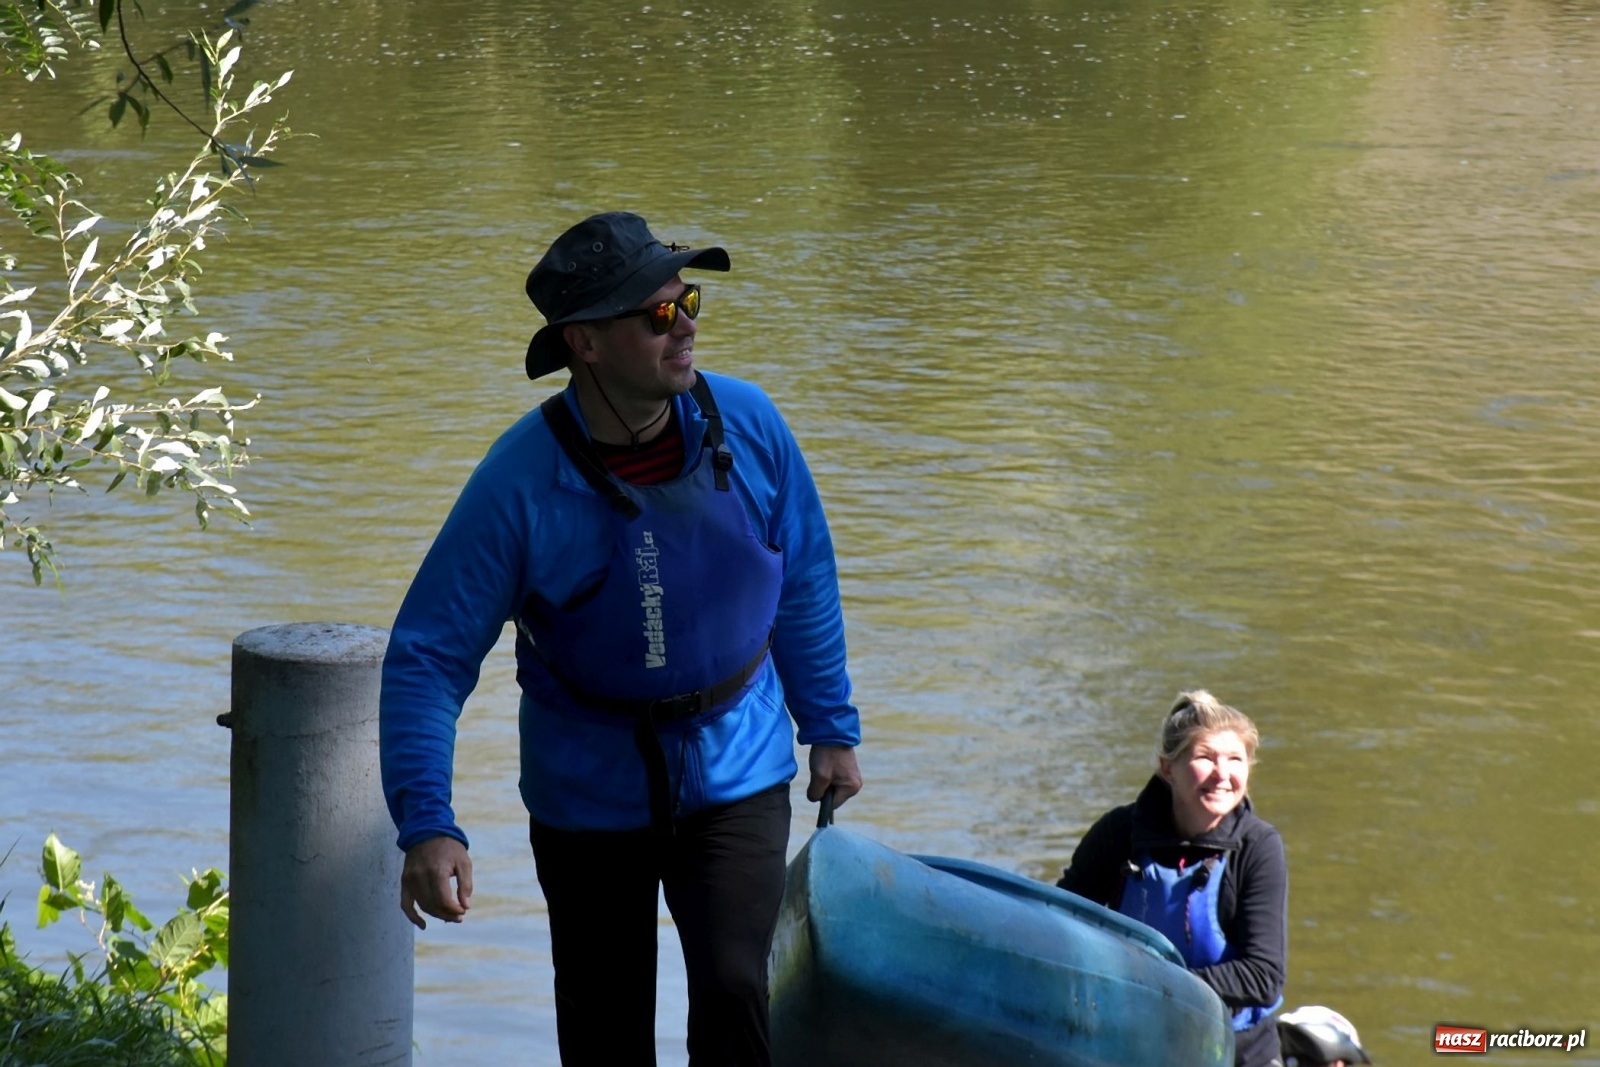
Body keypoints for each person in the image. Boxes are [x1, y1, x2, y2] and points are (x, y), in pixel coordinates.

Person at [379, 210, 864, 1067]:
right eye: (657, 315)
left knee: (734, 994)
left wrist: (830, 723)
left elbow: (806, 576)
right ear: (586, 343)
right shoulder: (520, 484)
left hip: (738, 766)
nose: (685, 328)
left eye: (689, 303)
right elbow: (429, 653)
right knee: (604, 1031)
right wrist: (428, 821)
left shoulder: (749, 428)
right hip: (587, 793)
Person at [1056, 690, 1287, 1067]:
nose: (1223, 775)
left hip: (1236, 1051)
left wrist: (1159, 985)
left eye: (1235, 760)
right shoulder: (1119, 833)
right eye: (1205, 758)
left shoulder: (1258, 847)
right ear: (1168, 769)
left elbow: (1263, 977)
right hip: (1133, 1040)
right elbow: (1060, 922)